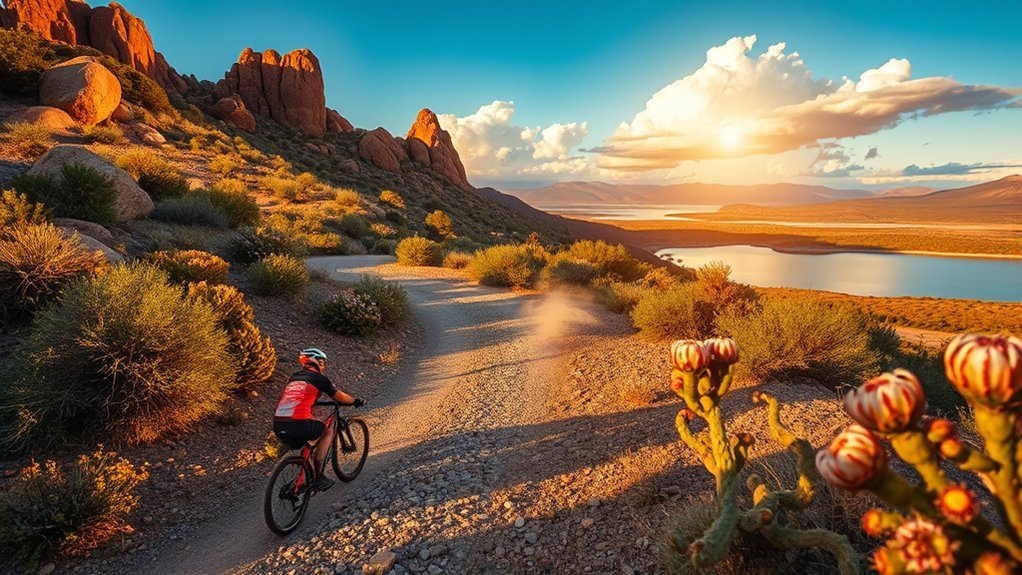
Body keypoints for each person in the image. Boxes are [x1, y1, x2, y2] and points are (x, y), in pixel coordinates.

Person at [273, 348, 364, 492]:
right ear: (318, 362)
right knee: (327, 431)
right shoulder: (319, 379)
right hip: (299, 425)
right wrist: (354, 401)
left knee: (308, 436)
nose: (324, 365)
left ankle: (303, 476)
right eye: (323, 362)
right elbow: (339, 396)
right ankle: (319, 476)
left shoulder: (294, 378)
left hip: (279, 425)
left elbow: (299, 398)